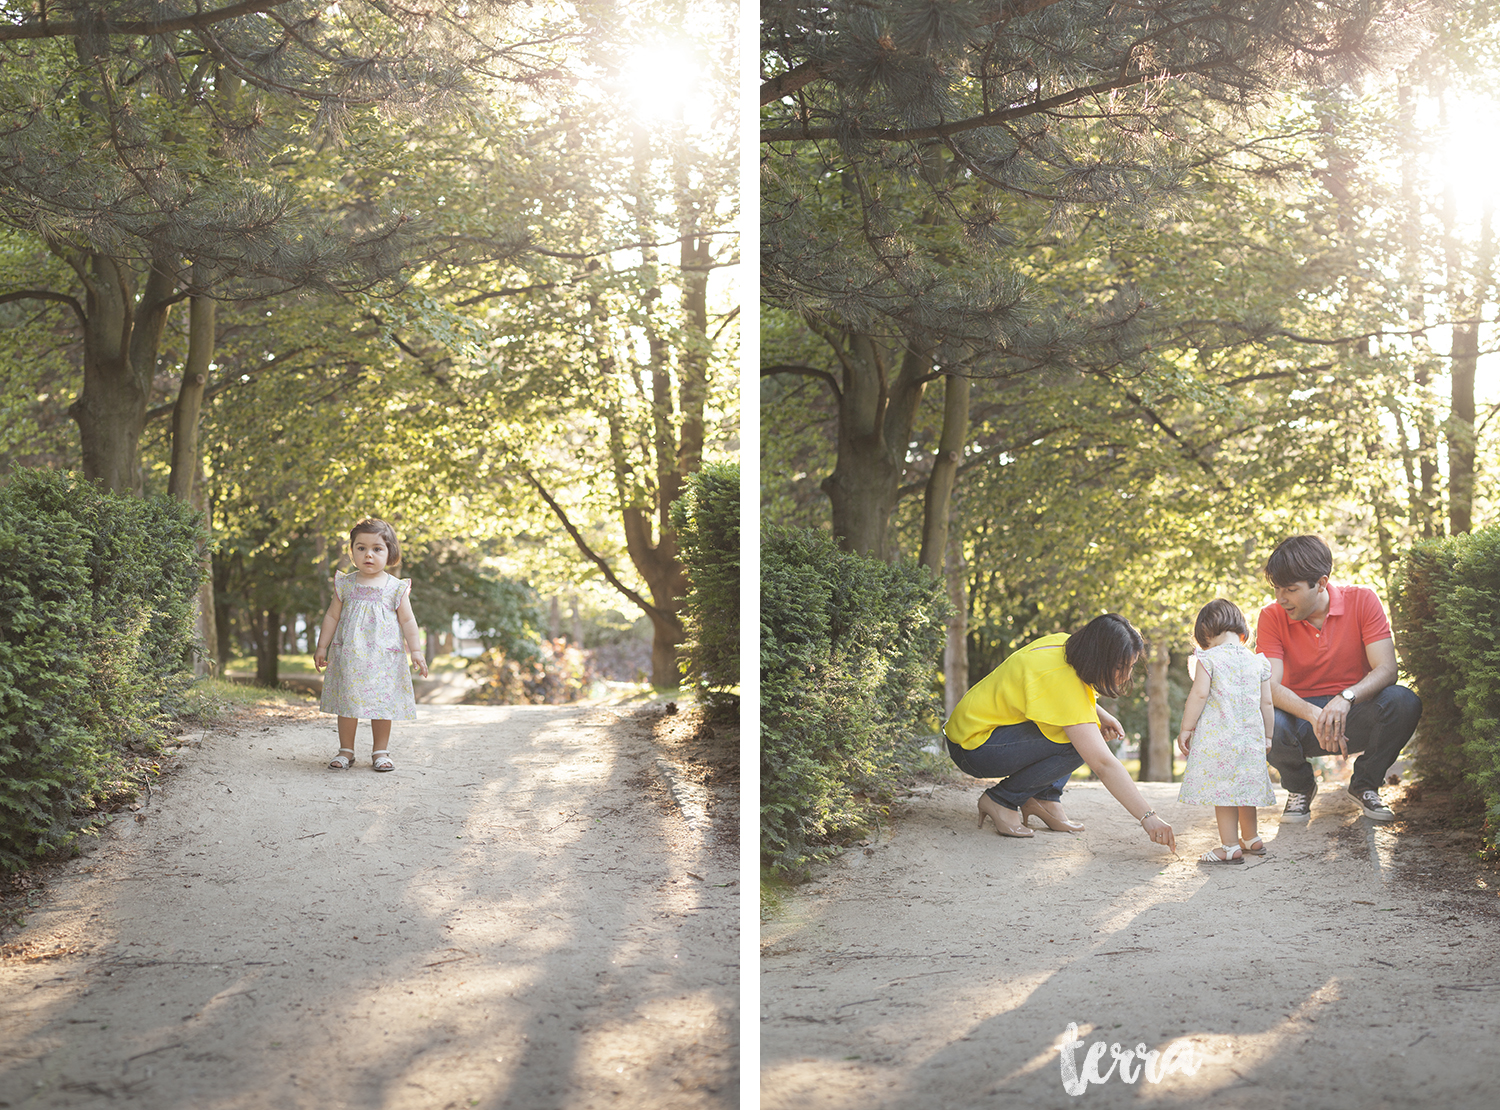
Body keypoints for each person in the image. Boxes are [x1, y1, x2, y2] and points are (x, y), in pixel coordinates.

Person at [943, 613, 1177, 853]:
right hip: (973, 748)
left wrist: (1099, 713)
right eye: (1119, 667)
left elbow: (1060, 692)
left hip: (972, 732)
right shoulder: (1063, 681)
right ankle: (1001, 800)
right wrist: (1148, 817)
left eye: (1130, 666)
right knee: (1081, 742)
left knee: (1081, 731)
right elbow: (1103, 764)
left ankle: (1044, 797)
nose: (1126, 676)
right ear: (1097, 656)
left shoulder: (1064, 645)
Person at [1256, 535, 1422, 822]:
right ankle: (1300, 787)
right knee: (1257, 715)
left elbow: (1386, 669)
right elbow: (1269, 685)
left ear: (1321, 583)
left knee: (1404, 700)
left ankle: (1365, 784)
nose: (1280, 598)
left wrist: (1345, 698)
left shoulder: (1363, 600)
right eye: (1277, 589)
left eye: (1290, 590)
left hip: (1354, 715)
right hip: (1301, 722)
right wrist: (1313, 713)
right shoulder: (1271, 616)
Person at [313, 518, 428, 771]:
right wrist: (322, 646)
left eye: (377, 548)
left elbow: (408, 620)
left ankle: (380, 751)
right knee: (347, 701)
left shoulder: (395, 588)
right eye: (361, 548)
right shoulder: (345, 583)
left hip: (384, 658)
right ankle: (346, 750)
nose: (368, 555)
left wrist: (416, 651)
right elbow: (332, 616)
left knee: (382, 703)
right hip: (350, 655)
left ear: (390, 552)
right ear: (352, 551)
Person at [1176, 599, 1275, 864]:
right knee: (1244, 788)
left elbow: (1199, 694)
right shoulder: (1259, 663)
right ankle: (1252, 837)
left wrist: (1187, 728)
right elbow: (1267, 703)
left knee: (1225, 792)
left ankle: (1230, 846)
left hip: (1220, 739)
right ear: (1242, 632)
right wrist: (1268, 736)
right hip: (1251, 740)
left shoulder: (1208, 658)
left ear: (1205, 634)